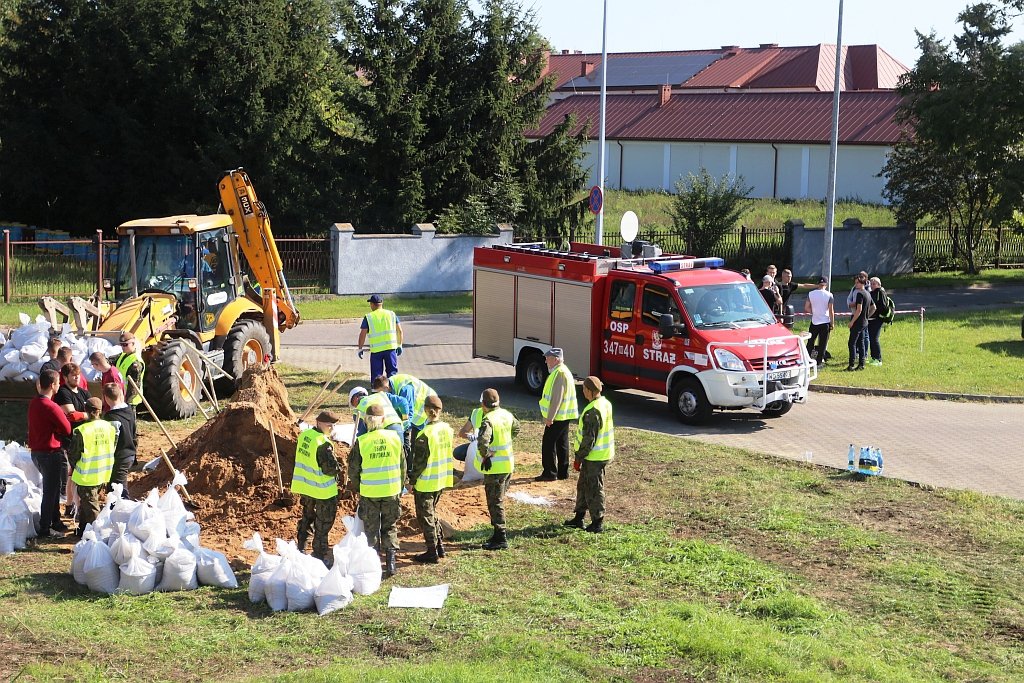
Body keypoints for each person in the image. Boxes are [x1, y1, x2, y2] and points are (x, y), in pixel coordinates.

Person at [348, 403, 406, 577]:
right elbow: (403, 466)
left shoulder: (362, 441)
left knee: (371, 529)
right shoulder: (395, 438)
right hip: (391, 490)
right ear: (383, 420)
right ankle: (391, 564)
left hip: (370, 492)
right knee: (390, 526)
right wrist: (400, 486)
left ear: (366, 422)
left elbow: (353, 470)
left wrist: (359, 488)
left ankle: (373, 564)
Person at [563, 377, 614, 534]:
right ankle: (579, 517)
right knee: (583, 485)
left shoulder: (593, 411)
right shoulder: (605, 403)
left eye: (584, 389)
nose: (583, 391)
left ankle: (597, 522)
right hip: (599, 454)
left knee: (594, 488)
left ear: (590, 391)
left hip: (595, 456)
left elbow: (589, 439)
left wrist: (579, 457)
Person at [292, 410, 343, 567]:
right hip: (322, 491)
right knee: (323, 524)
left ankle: (300, 549)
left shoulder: (305, 436)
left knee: (307, 518)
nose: (331, 428)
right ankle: (319, 555)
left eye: (333, 425)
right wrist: (339, 468)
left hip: (306, 487)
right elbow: (330, 469)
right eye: (329, 425)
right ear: (319, 423)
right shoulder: (323, 443)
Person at [409, 395, 454, 564]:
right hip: (441, 479)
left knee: (425, 517)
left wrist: (411, 481)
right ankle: (440, 546)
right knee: (432, 512)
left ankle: (431, 551)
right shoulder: (447, 429)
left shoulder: (425, 434)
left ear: (426, 411)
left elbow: (419, 463)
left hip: (426, 482)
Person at [27, 369, 72, 539]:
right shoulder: (51, 406)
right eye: (58, 383)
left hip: (37, 453)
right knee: (50, 492)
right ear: (52, 385)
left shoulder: (34, 403)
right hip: (50, 453)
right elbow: (67, 429)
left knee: (51, 489)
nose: (60, 385)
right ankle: (45, 528)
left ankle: (55, 521)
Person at [477, 388, 520, 550]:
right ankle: (497, 534)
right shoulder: (507, 414)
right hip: (508, 464)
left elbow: (482, 442)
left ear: (483, 404)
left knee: (495, 502)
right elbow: (517, 428)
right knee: (499, 499)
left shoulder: (488, 419)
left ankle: (501, 537)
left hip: (495, 467)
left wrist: (486, 454)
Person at [68, 397, 118, 535]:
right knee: (87, 504)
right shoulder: (110, 427)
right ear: (100, 411)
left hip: (87, 475)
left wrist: (73, 467)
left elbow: (73, 454)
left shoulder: (82, 431)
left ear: (86, 411)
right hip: (103, 473)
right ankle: (83, 529)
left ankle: (97, 536)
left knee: (92, 508)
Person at [536, 348, 578, 482]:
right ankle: (562, 473)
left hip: (558, 416)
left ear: (556, 359)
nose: (546, 360)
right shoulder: (563, 371)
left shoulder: (559, 373)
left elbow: (557, 398)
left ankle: (549, 473)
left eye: (548, 358)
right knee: (562, 443)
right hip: (564, 415)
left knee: (548, 443)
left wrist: (550, 417)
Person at [356, 294, 404, 380]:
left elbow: (362, 334)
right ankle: (393, 391)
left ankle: (376, 392)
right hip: (390, 349)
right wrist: (399, 345)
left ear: (372, 304)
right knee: (392, 374)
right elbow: (399, 331)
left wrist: (360, 348)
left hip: (376, 351)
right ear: (382, 303)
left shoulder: (369, 317)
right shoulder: (392, 314)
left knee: (377, 377)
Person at [389, 373, 436, 459]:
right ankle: (409, 465)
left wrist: (405, 426)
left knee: (418, 443)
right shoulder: (393, 386)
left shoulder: (405, 389)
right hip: (417, 413)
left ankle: (415, 465)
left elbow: (408, 411)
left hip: (427, 409)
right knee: (409, 441)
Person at [104, 383, 137, 494]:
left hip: (120, 457)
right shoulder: (129, 411)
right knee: (113, 485)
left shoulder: (110, 417)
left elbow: (111, 442)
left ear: (106, 398)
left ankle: (124, 508)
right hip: (130, 454)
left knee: (119, 489)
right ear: (121, 394)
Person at [111, 333, 144, 424]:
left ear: (133, 344)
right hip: (122, 395)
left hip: (130, 398)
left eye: (125, 345)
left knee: (130, 423)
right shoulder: (122, 356)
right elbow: (109, 360)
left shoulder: (135, 363)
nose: (123, 347)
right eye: (121, 344)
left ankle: (133, 438)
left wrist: (125, 400)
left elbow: (134, 386)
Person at [804, 277, 835, 366]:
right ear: (826, 284)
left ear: (818, 284)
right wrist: (832, 323)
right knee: (823, 343)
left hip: (814, 321)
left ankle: (807, 359)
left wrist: (814, 312)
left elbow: (806, 308)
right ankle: (819, 361)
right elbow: (831, 310)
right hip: (825, 321)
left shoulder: (811, 294)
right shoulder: (829, 295)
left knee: (810, 341)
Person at [847, 274, 871, 371]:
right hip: (864, 322)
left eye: (857, 283)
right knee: (861, 343)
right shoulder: (868, 293)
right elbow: (873, 307)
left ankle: (851, 364)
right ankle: (861, 364)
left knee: (852, 343)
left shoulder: (860, 294)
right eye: (855, 282)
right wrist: (867, 316)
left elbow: (859, 309)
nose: (855, 285)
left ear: (862, 283)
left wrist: (852, 321)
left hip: (858, 321)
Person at [867, 276, 887, 366]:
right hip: (871, 319)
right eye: (871, 283)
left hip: (877, 319)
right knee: (871, 339)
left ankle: (878, 359)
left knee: (875, 339)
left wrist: (876, 312)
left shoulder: (881, 292)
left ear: (878, 284)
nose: (872, 285)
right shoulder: (872, 293)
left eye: (874, 283)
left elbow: (883, 306)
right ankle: (873, 358)